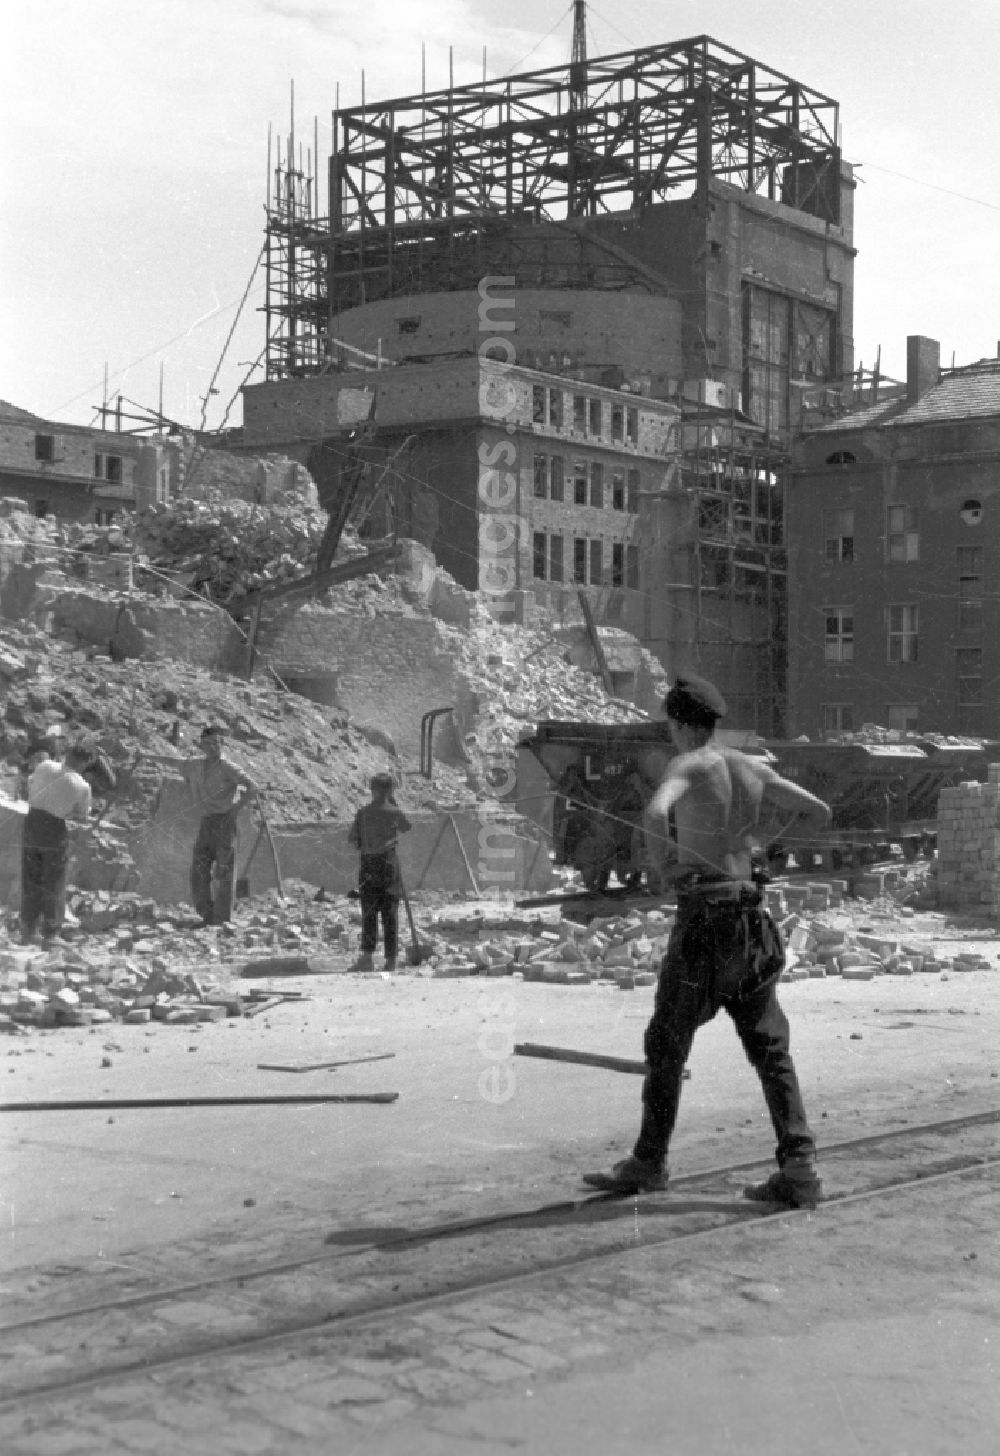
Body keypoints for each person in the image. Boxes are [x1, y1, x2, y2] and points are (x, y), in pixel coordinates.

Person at [584, 675, 832, 1209]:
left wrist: (664, 866)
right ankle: (800, 1169)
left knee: (666, 1043)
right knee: (771, 1049)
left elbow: (653, 813)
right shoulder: (751, 767)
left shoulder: (689, 763)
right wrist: (770, 851)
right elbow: (820, 811)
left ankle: (649, 1162)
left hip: (706, 922)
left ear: (677, 725)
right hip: (753, 921)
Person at [146, 725, 258, 926]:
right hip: (206, 822)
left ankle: (221, 918)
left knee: (224, 871)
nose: (214, 747)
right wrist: (145, 755)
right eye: (209, 744)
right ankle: (206, 913)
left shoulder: (228, 767)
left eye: (217, 743)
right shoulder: (196, 765)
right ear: (202, 746)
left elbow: (252, 787)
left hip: (224, 822)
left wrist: (235, 810)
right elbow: (174, 762)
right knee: (199, 869)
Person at [21, 736, 92, 943]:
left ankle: (28, 929)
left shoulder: (44, 766)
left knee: (31, 876)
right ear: (85, 763)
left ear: (68, 754)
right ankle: (51, 934)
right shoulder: (82, 786)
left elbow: (30, 783)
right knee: (54, 880)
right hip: (54, 828)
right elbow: (82, 816)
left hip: (32, 821)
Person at [348, 773, 411, 972]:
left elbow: (352, 839)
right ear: (391, 790)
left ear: (372, 790)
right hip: (388, 864)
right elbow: (407, 827)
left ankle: (367, 958)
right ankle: (391, 960)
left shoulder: (363, 813)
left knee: (369, 911)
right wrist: (393, 802)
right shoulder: (394, 812)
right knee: (390, 912)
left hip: (368, 864)